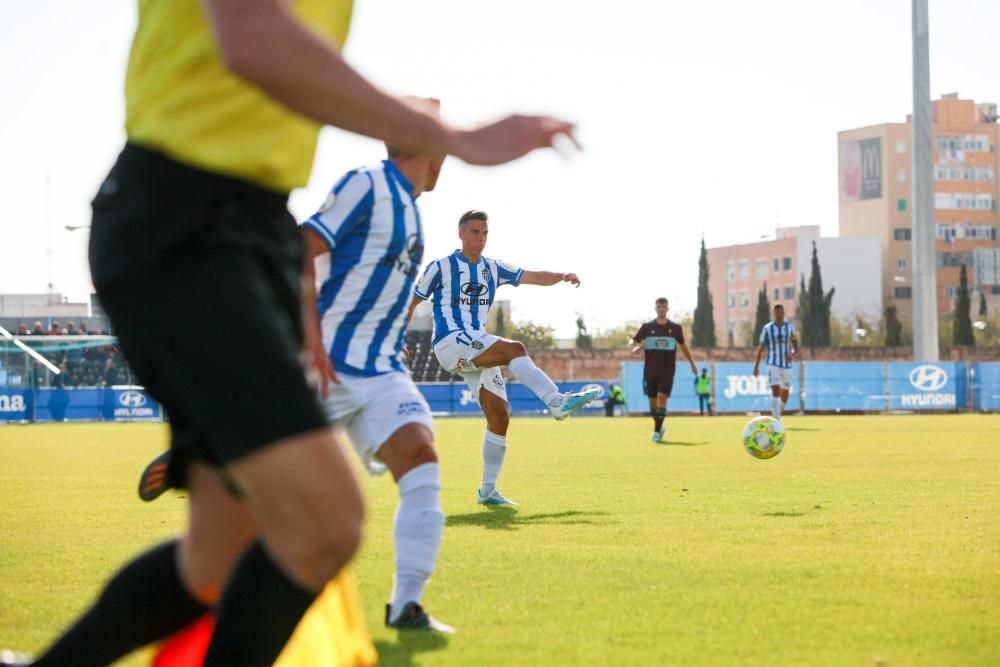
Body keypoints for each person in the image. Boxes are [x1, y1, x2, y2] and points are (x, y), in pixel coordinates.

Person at [2, 0, 578, 664]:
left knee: (214, 559)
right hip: (185, 212)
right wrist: (458, 135)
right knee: (324, 518)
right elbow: (252, 39)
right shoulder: (370, 183)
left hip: (252, 230)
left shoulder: (414, 216)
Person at [300, 97, 454, 634]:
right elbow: (306, 245)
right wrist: (308, 333)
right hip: (326, 365)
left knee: (420, 454)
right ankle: (208, 457)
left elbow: (369, 283)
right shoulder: (367, 183)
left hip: (382, 367)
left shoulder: (411, 207)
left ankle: (406, 604)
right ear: (430, 151)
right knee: (269, 505)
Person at [407, 210, 599, 506]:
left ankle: (487, 490)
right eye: (474, 232)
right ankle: (556, 401)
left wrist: (561, 276)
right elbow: (413, 301)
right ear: (460, 234)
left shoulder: (493, 268)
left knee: (499, 415)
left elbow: (531, 275)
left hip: (475, 346)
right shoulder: (440, 267)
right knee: (515, 349)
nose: (480, 238)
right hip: (450, 342)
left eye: (484, 233)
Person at [630, 298, 698, 443]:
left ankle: (656, 432)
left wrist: (692, 363)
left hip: (667, 370)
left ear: (668, 309)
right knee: (652, 403)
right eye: (659, 306)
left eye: (664, 306)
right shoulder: (647, 327)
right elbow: (634, 340)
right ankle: (660, 427)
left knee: (662, 398)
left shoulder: (675, 328)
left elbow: (683, 346)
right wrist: (634, 347)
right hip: (650, 371)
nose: (661, 309)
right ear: (655, 308)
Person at [753, 303, 798, 421]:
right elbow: (761, 347)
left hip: (786, 365)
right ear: (774, 314)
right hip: (772, 363)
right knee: (775, 390)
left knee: (785, 395)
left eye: (781, 312)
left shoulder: (790, 327)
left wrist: (792, 353)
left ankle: (778, 411)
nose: (779, 314)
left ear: (784, 313)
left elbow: (795, 345)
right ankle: (777, 421)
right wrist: (756, 366)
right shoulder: (767, 328)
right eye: (776, 312)